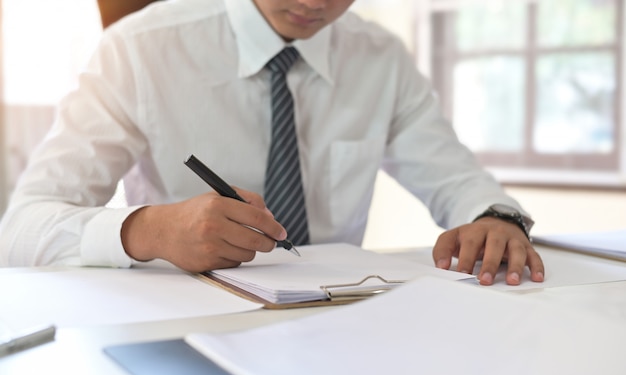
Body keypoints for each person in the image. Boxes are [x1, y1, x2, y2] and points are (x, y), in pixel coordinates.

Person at [0, 0, 544, 286]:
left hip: (343, 326)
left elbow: (456, 176)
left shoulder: (381, 59)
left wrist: (495, 218)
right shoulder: (140, 50)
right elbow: (20, 231)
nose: (315, 2)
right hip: (180, 324)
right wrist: (148, 229)